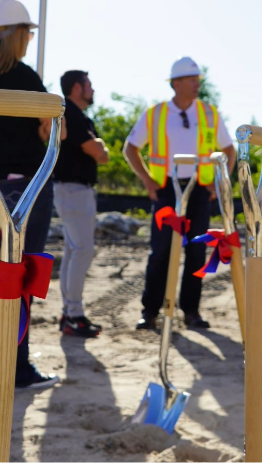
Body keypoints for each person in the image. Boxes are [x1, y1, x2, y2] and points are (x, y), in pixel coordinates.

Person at [0, 0, 62, 390]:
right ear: (18, 34)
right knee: (20, 277)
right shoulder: (25, 78)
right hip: (28, 185)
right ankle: (15, 367)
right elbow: (52, 125)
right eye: (27, 32)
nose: (28, 39)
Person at [123, 57, 235, 331]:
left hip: (198, 191)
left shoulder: (209, 113)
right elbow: (130, 148)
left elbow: (229, 151)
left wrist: (218, 183)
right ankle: (150, 311)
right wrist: (148, 182)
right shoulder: (156, 114)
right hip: (165, 190)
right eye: (191, 79)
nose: (197, 83)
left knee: (196, 252)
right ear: (176, 83)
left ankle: (191, 311)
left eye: (198, 79)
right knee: (160, 252)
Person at [53, 70, 109, 338]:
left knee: (75, 250)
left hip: (74, 190)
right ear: (77, 88)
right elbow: (98, 152)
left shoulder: (76, 115)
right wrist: (100, 146)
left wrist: (99, 147)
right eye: (89, 84)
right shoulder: (71, 114)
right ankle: (74, 315)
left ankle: (70, 313)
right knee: (83, 250)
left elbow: (99, 151)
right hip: (73, 190)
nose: (93, 89)